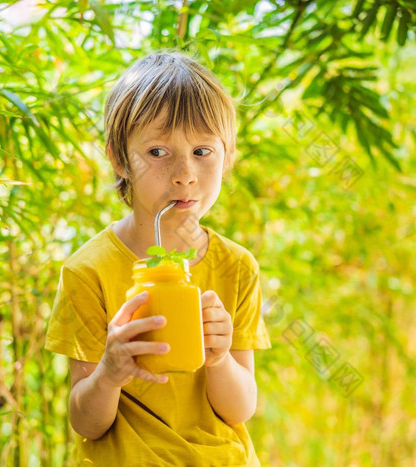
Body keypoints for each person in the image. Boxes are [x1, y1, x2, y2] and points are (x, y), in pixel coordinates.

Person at [44, 51, 271, 466]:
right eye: (157, 153)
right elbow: (87, 423)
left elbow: (240, 409)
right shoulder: (88, 271)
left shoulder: (237, 267)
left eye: (203, 151)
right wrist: (109, 373)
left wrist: (219, 359)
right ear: (118, 158)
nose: (185, 173)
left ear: (229, 156)